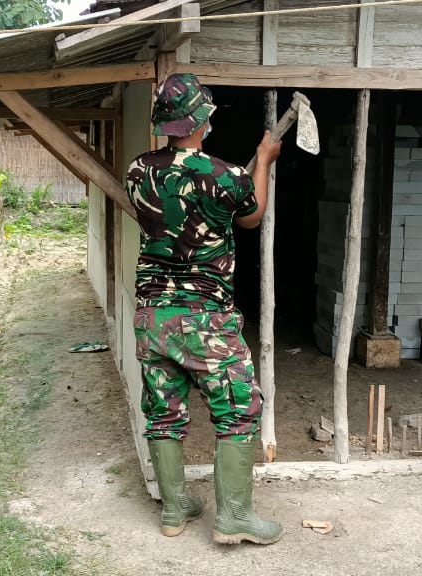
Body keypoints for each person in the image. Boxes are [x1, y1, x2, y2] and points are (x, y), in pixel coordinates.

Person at [126, 73, 282, 545]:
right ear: (202, 121)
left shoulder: (137, 170)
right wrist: (264, 162)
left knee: (163, 411)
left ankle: (175, 510)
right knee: (239, 407)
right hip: (204, 317)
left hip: (152, 315)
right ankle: (234, 517)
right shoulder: (225, 176)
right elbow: (252, 216)